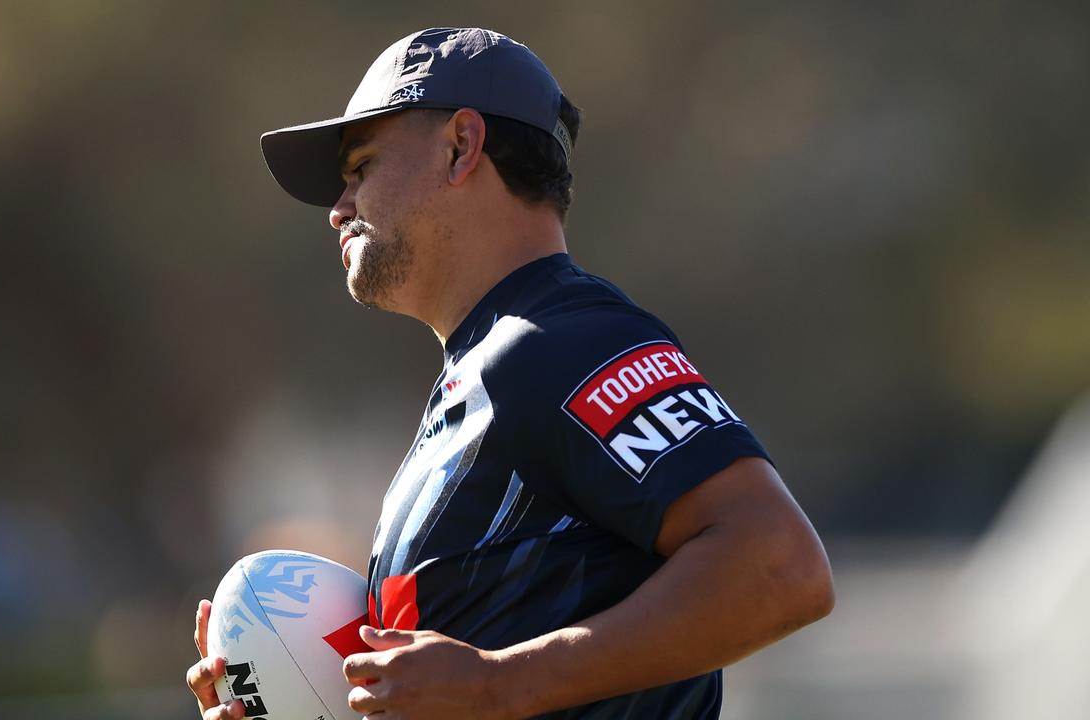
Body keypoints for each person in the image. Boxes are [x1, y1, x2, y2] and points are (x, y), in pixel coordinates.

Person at [187, 27, 833, 719]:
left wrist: (504, 680)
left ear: (462, 146)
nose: (338, 208)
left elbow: (778, 567)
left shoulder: (564, 339)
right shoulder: (483, 375)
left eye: (362, 166)